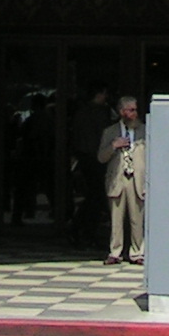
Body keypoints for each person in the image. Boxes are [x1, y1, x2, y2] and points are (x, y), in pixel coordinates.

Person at [98, 95, 145, 267]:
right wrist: (113, 146)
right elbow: (101, 158)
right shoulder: (110, 132)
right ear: (121, 112)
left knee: (137, 219)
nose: (134, 113)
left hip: (137, 180)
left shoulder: (144, 131)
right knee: (116, 219)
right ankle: (115, 252)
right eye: (130, 110)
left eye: (135, 110)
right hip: (117, 180)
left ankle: (137, 252)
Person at [69, 85, 113, 249]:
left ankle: (81, 230)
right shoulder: (99, 112)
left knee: (94, 196)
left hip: (86, 157)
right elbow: (102, 135)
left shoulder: (82, 112)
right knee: (97, 196)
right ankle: (83, 230)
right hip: (95, 158)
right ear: (100, 93)